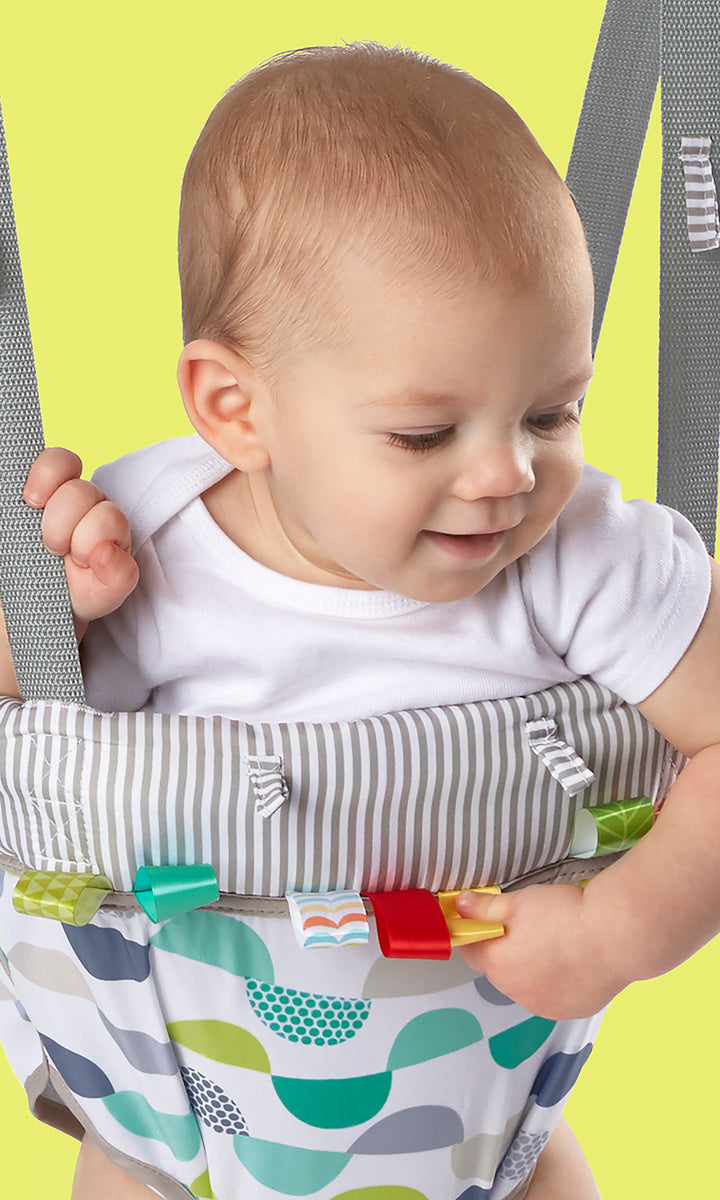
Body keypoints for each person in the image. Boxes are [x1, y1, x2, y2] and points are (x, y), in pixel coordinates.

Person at [0, 41, 718, 1200]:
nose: (508, 474)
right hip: (171, 1132)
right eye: (425, 434)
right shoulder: (142, 538)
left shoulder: (585, 555)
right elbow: (25, 732)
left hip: (488, 1119)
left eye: (552, 411)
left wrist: (620, 931)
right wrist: (49, 620)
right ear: (236, 409)